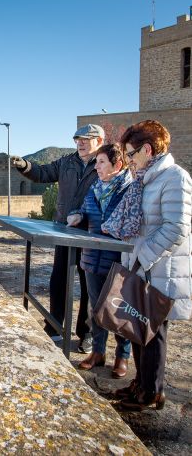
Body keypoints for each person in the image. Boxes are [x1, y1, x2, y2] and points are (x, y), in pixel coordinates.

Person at [102, 120, 192, 411]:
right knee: (138, 328)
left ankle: (151, 393)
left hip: (159, 269)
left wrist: (143, 258)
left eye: (131, 154)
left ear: (148, 150)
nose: (128, 160)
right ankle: (143, 384)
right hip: (142, 267)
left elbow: (177, 228)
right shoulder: (144, 178)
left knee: (153, 333)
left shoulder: (175, 178)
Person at [11, 124, 105, 352]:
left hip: (92, 234)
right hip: (64, 229)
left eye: (85, 139)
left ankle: (87, 334)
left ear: (99, 141)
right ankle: (53, 327)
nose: (80, 142)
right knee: (59, 279)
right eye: (77, 139)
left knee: (88, 287)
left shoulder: (105, 163)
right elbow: (43, 173)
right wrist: (25, 166)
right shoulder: (67, 162)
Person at [66, 143, 132, 377]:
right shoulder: (94, 188)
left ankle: (122, 357)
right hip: (92, 258)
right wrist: (78, 216)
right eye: (97, 162)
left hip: (118, 260)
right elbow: (85, 211)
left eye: (102, 162)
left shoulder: (129, 190)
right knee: (96, 309)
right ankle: (98, 352)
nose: (97, 166)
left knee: (120, 310)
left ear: (118, 165)